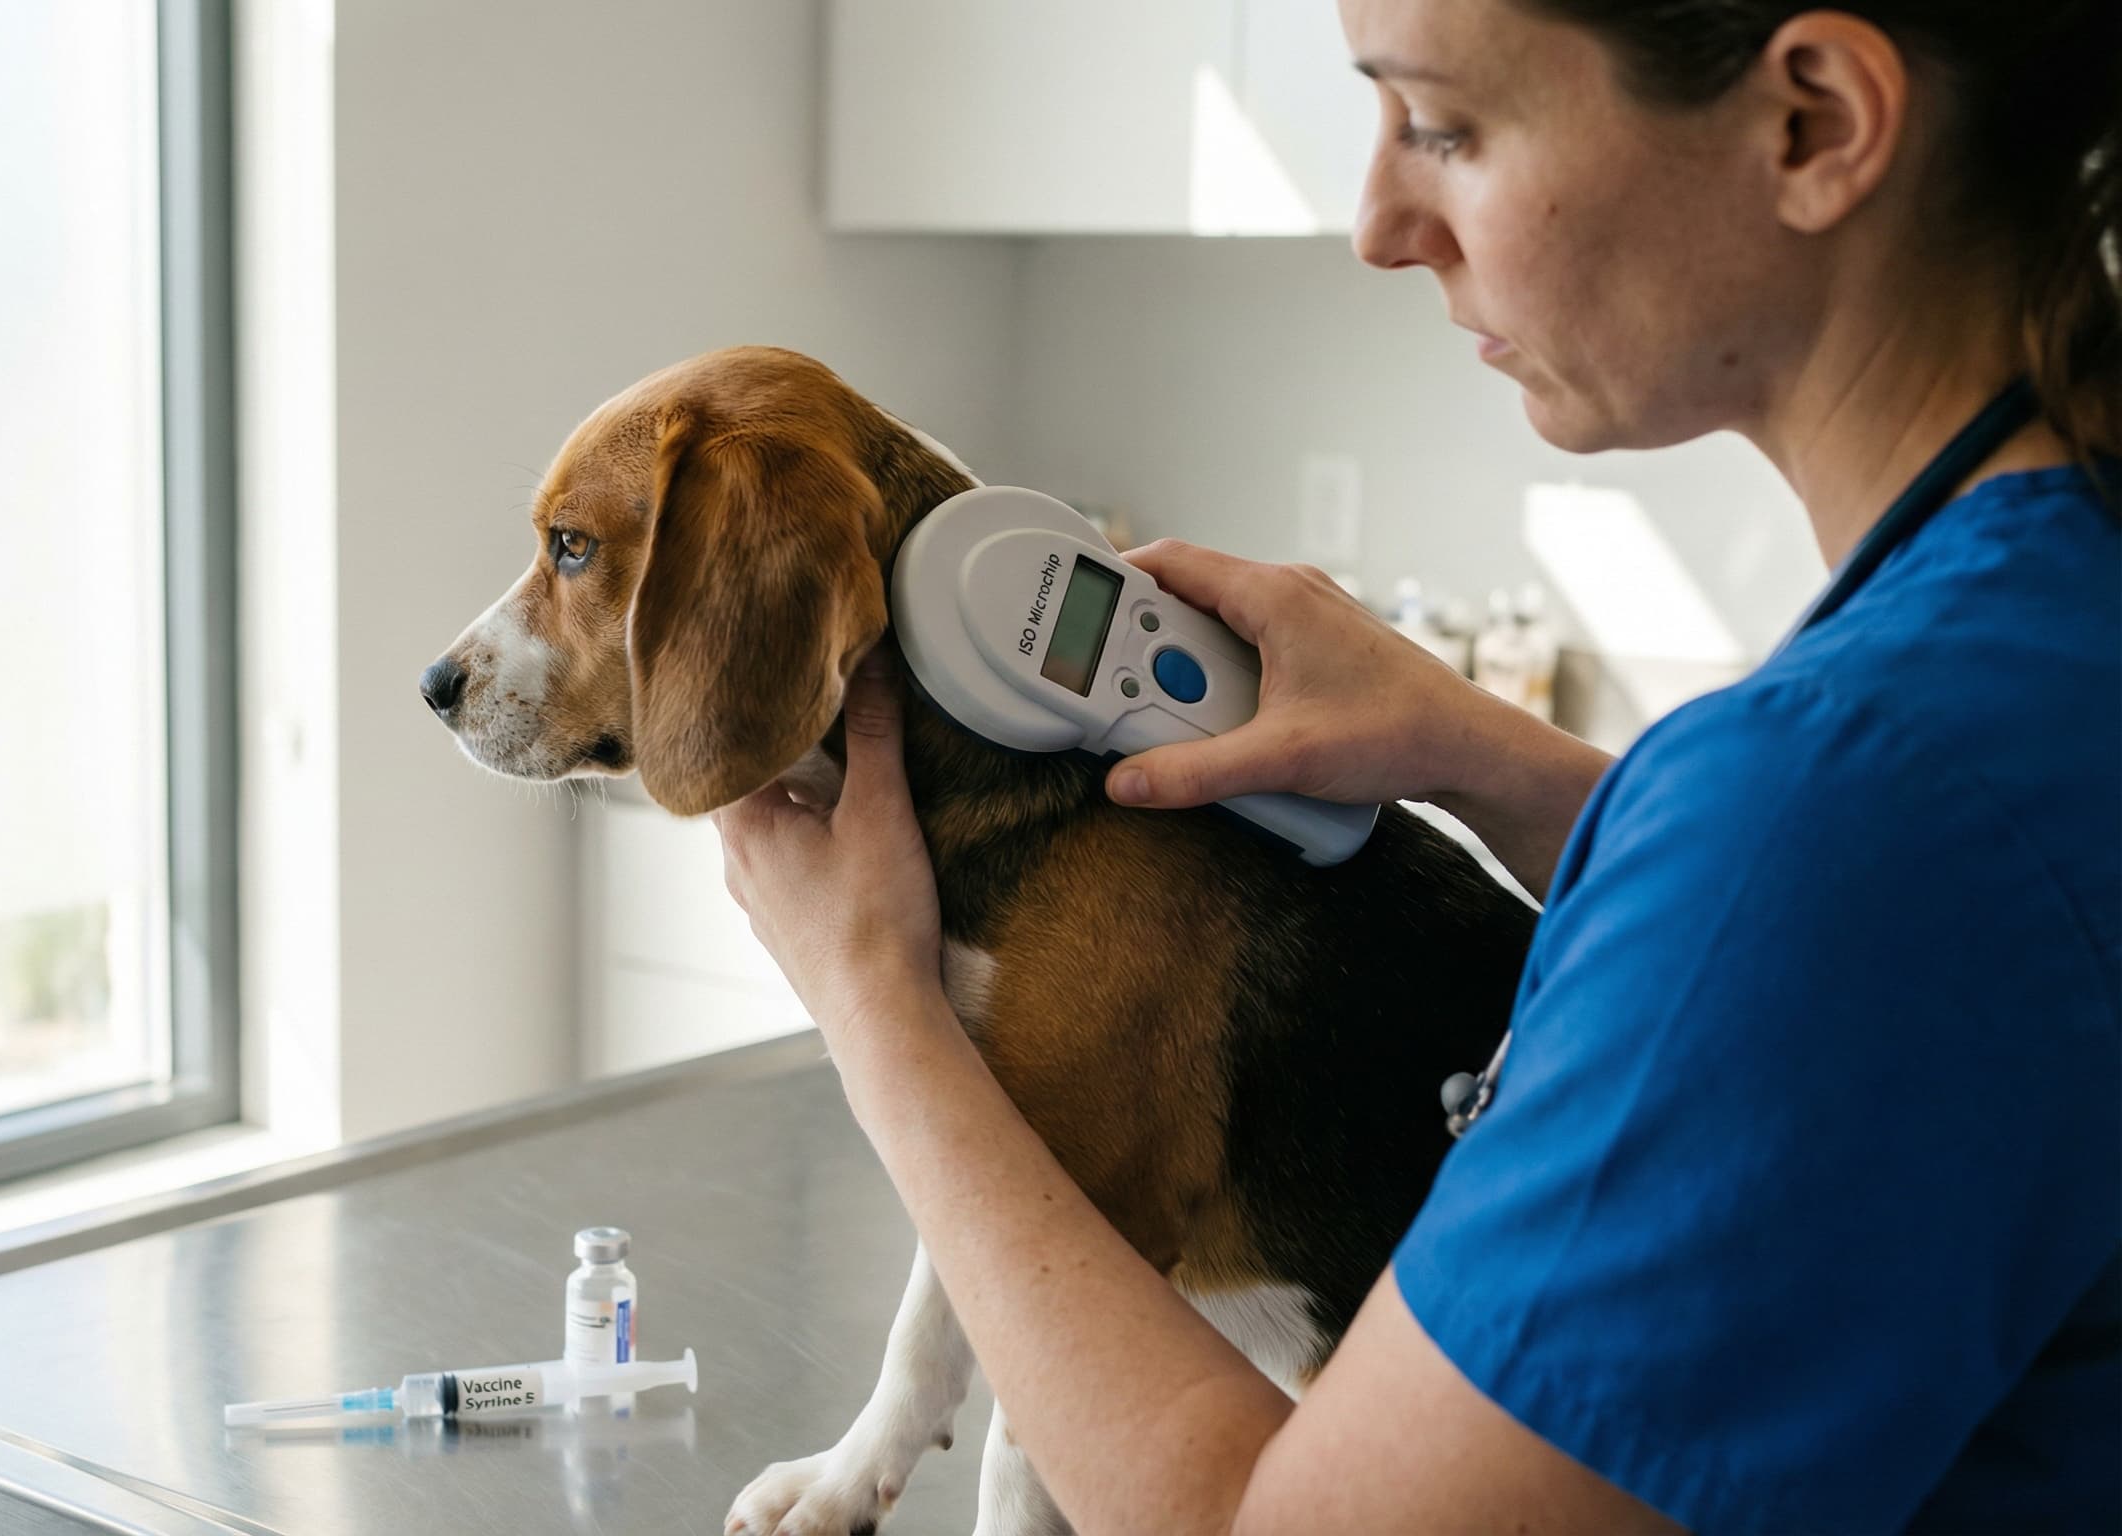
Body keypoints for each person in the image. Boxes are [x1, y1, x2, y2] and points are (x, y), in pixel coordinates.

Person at [711, 1, 2120, 1530]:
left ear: (1815, 123)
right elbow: (1951, 944)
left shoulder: (1846, 802)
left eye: (1442, 126)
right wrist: (1482, 755)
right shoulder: (2037, 640)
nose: (1382, 225)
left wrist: (879, 1008)